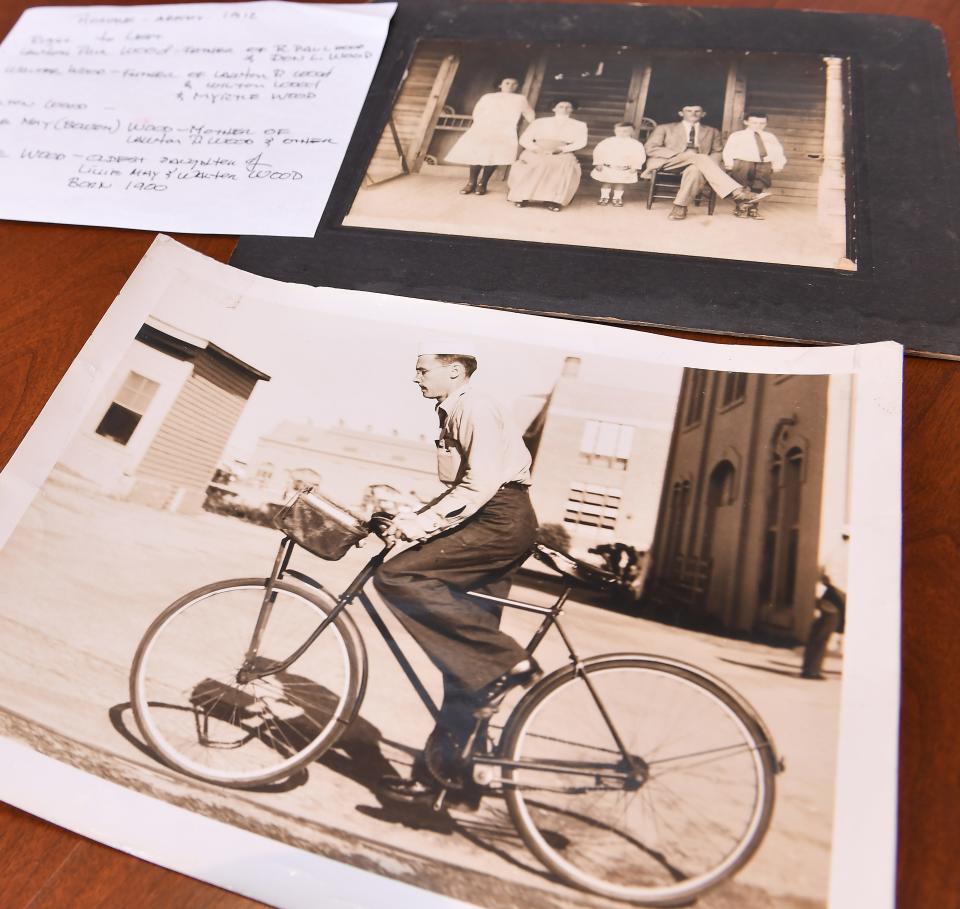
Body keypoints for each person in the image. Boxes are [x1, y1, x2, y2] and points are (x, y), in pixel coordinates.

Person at [374, 340, 540, 806]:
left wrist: (421, 524)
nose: (416, 377)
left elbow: (482, 483)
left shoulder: (476, 408)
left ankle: (509, 660)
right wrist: (412, 515)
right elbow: (460, 486)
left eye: (423, 368)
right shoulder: (451, 412)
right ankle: (451, 782)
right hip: (493, 519)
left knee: (397, 577)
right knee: (468, 668)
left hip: (499, 521)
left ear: (454, 371)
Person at [642, 104, 768, 220]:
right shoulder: (664, 128)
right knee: (699, 158)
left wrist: (707, 163)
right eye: (689, 110)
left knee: (696, 169)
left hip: (699, 164)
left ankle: (679, 207)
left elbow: (718, 151)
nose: (693, 113)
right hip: (669, 162)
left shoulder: (712, 131)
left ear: (703, 114)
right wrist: (683, 156)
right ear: (681, 113)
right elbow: (651, 148)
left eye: (697, 111)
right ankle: (737, 192)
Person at [445, 77, 535, 196]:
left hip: (505, 131)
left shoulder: (520, 99)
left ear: (517, 86)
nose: (510, 85)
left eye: (514, 84)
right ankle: (471, 182)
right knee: (477, 154)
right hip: (484, 128)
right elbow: (477, 111)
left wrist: (535, 126)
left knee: (494, 156)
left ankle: (483, 183)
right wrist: (481, 125)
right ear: (500, 85)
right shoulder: (488, 97)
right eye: (507, 83)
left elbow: (529, 113)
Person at [507, 100, 588, 212]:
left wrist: (562, 149)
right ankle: (523, 197)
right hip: (537, 150)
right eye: (560, 106)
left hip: (561, 152)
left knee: (564, 165)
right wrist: (536, 149)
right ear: (554, 108)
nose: (564, 109)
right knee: (534, 163)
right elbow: (524, 139)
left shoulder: (579, 125)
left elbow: (581, 142)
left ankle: (552, 200)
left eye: (568, 107)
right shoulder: (539, 122)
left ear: (572, 109)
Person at [722, 112, 787, 220]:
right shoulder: (738, 135)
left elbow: (778, 151)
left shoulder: (770, 137)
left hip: (763, 163)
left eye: (762, 123)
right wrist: (728, 163)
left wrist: (778, 163)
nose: (758, 125)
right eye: (754, 122)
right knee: (740, 185)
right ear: (746, 122)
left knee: (758, 185)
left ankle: (753, 208)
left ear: (766, 124)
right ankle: (741, 207)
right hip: (743, 162)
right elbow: (728, 150)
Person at [801, 571, 846, 679]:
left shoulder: (833, 591)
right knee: (817, 643)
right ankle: (811, 670)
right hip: (828, 616)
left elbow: (831, 605)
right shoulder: (831, 590)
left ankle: (812, 671)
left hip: (829, 616)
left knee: (818, 643)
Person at [590, 121, 647, 207]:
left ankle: (617, 198)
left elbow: (640, 156)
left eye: (625, 131)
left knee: (620, 183)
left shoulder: (636, 144)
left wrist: (635, 166)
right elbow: (598, 152)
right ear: (615, 131)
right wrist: (598, 162)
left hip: (625, 168)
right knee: (606, 182)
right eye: (619, 131)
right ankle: (604, 197)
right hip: (608, 167)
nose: (622, 133)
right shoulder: (608, 141)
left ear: (632, 132)